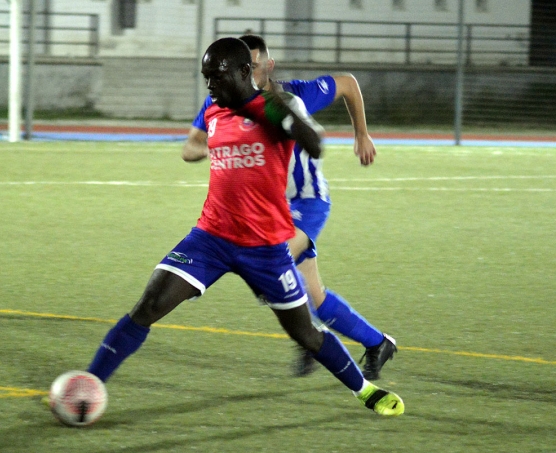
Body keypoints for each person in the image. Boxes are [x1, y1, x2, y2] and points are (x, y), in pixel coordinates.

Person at [84, 37, 404, 417]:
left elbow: (314, 145)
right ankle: (87, 384)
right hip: (210, 237)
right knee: (148, 305)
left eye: (215, 77)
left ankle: (365, 389)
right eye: (205, 77)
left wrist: (282, 116)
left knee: (305, 334)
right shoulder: (213, 109)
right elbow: (192, 147)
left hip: (265, 246)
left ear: (242, 72)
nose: (209, 85)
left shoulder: (273, 105)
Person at [183, 34, 397, 380]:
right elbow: (190, 147)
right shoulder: (223, 100)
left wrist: (361, 133)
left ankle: (308, 338)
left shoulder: (294, 96)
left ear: (268, 66)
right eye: (242, 69)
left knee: (269, 261)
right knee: (315, 296)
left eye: (252, 67)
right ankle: (377, 343)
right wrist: (220, 148)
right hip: (273, 209)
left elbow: (347, 84)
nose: (246, 75)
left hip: (309, 202)